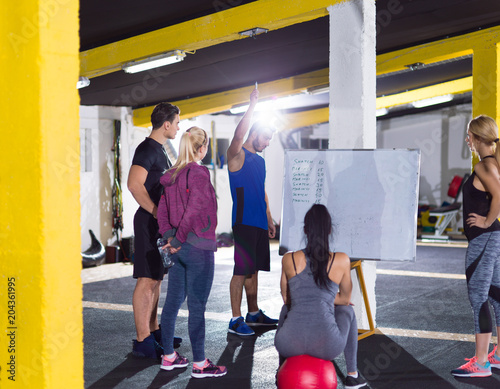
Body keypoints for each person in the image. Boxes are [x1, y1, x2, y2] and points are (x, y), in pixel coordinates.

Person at [157, 127, 227, 378]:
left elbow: (162, 212)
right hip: (197, 248)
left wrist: (170, 238)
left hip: (177, 248)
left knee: (173, 303)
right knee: (197, 306)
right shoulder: (198, 173)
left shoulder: (170, 176)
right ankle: (199, 363)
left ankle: (168, 357)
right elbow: (195, 210)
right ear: (202, 148)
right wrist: (177, 238)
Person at [274, 204, 368, 389]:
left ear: (305, 230)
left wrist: (312, 297)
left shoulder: (288, 258)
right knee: (347, 310)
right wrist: (323, 298)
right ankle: (352, 375)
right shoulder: (341, 259)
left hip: (287, 344)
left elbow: (287, 299)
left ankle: (281, 370)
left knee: (285, 310)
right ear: (330, 230)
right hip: (326, 346)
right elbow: (344, 298)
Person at [127, 102, 182, 358]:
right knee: (146, 280)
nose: (179, 127)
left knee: (157, 279)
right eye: (177, 122)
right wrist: (156, 211)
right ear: (166, 123)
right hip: (148, 222)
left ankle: (154, 330)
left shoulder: (161, 150)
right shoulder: (146, 148)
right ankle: (142, 341)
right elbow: (134, 184)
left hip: (158, 224)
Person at [227, 87, 278, 336]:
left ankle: (254, 313)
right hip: (244, 221)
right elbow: (238, 136)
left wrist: (269, 218)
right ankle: (236, 319)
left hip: (258, 222)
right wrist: (252, 106)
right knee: (240, 270)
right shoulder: (237, 156)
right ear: (255, 132)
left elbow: (262, 189)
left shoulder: (261, 160)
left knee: (253, 269)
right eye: (266, 137)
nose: (267, 143)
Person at [451, 115, 500, 377]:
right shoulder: (493, 163)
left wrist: (486, 220)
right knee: (497, 295)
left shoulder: (484, 166)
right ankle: (499, 355)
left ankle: (481, 363)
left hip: (484, 239)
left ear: (479, 138)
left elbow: (499, 195)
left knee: (479, 297)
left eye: (469, 135)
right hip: (493, 238)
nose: (467, 139)